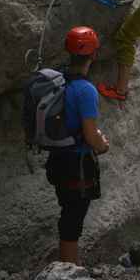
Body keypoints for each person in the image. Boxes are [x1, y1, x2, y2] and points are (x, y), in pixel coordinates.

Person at [46, 26, 110, 265]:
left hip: (57, 158)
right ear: (93, 55)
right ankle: (69, 273)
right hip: (77, 163)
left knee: (68, 212)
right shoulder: (85, 90)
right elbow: (91, 137)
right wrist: (102, 145)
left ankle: (67, 268)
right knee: (73, 218)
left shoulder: (59, 80)